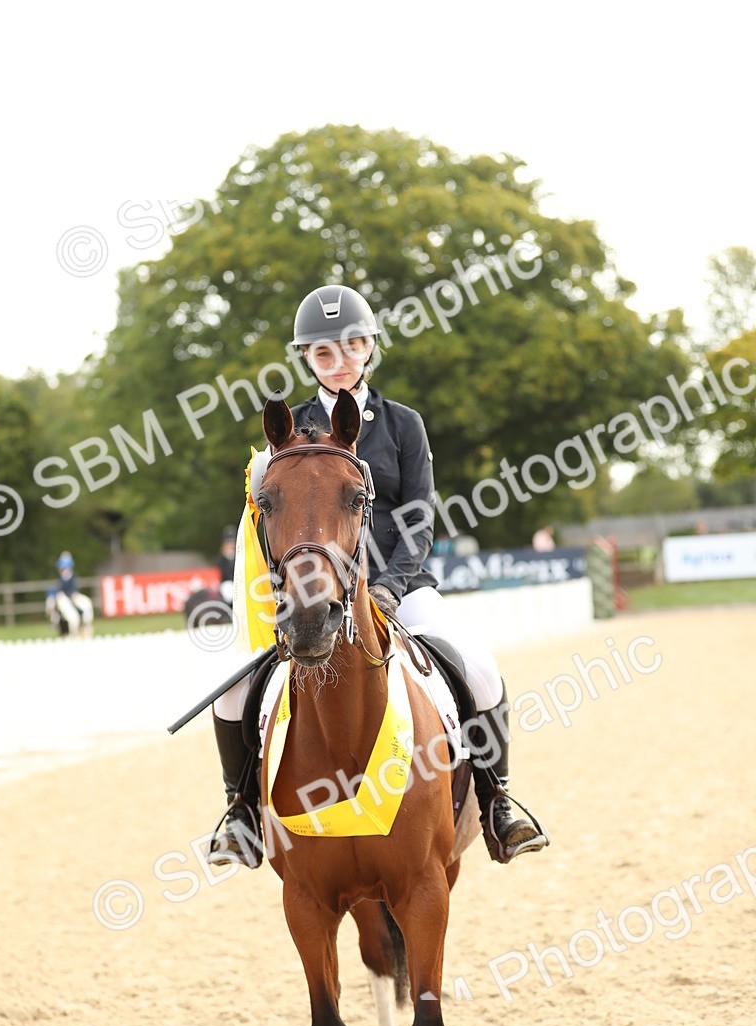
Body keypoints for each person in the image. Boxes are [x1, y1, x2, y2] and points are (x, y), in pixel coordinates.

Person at [207, 284, 549, 868]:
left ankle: (498, 802)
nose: (338, 361)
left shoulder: (403, 425)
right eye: (323, 353)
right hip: (315, 596)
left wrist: (390, 583)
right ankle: (241, 811)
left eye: (350, 346)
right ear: (307, 360)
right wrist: (286, 592)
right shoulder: (287, 435)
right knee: (234, 686)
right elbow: (272, 524)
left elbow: (419, 516)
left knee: (481, 669)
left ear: (369, 348)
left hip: (400, 587)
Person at [45, 551, 94, 637]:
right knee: (73, 618)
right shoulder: (59, 589)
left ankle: (84, 628)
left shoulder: (72, 578)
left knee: (86, 605)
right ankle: (73, 633)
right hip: (64, 602)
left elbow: (73, 592)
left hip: (72, 598)